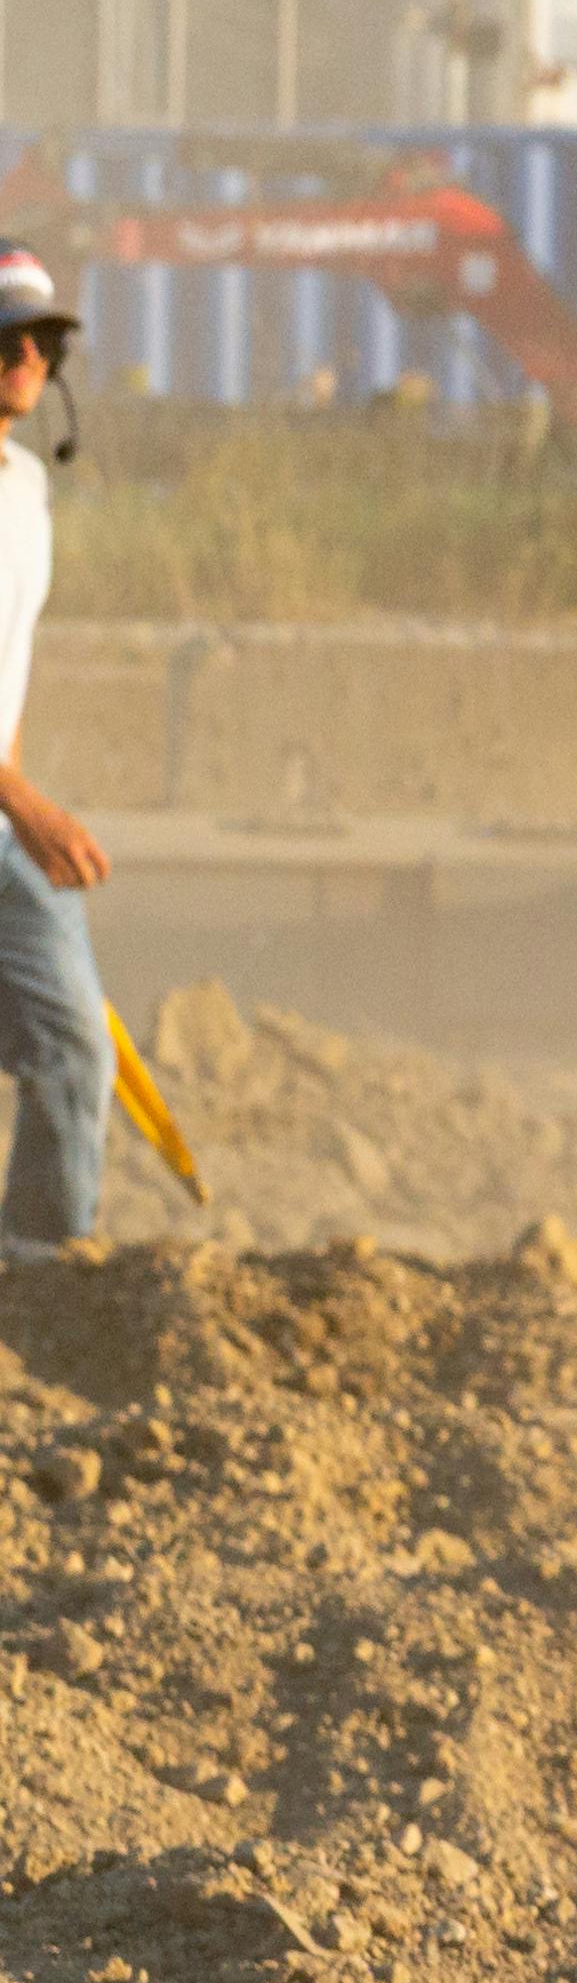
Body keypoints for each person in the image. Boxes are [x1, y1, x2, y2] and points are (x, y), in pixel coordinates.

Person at [0, 251, 104, 1262]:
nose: (26, 354)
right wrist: (26, 806)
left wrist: (17, 792)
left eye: (44, 338)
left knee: (71, 1045)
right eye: (5, 335)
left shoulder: (26, 486)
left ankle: (34, 1282)